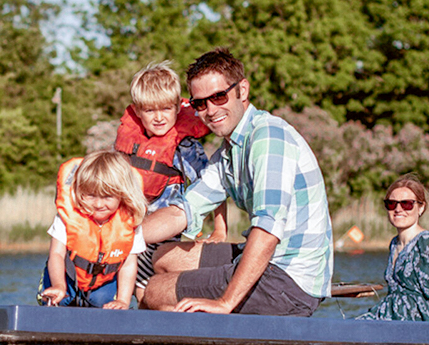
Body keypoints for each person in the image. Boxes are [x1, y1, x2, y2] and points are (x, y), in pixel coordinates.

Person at [138, 49, 333, 316]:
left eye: (219, 96)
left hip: (290, 281)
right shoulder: (229, 151)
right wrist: (116, 236)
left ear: (242, 90)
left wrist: (225, 302)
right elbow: (182, 210)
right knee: (162, 257)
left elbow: (268, 229)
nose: (211, 110)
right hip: (267, 262)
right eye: (200, 104)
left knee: (155, 290)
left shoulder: (268, 137)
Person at [113, 60, 227, 289]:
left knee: (146, 292)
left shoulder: (184, 146)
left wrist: (220, 230)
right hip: (128, 232)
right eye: (150, 110)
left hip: (162, 239)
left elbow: (214, 186)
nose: (159, 117)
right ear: (136, 111)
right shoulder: (130, 143)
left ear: (177, 107)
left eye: (166, 109)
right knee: (121, 293)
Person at [39, 150, 147, 310]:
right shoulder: (67, 217)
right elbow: (56, 254)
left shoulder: (130, 222)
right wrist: (59, 285)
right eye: (90, 195)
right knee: (58, 299)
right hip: (66, 276)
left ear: (122, 195)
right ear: (80, 191)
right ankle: (57, 293)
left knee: (104, 304)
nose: (98, 204)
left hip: (103, 282)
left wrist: (123, 301)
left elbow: (128, 265)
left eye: (107, 197)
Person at [357, 175, 429, 322]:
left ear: (421, 208)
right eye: (391, 204)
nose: (398, 209)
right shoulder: (394, 243)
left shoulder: (426, 242)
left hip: (414, 324)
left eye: (407, 204)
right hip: (389, 317)